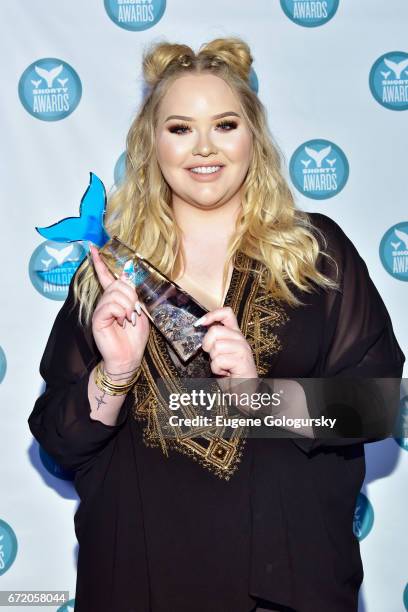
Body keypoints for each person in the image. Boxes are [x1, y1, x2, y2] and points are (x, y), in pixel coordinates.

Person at [28, 37, 405, 612]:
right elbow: (58, 438)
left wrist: (260, 397)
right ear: (150, 144)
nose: (204, 148)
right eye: (180, 128)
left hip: (285, 587)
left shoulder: (315, 253)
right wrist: (116, 372)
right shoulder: (109, 274)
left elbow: (377, 407)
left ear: (253, 135)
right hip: (139, 582)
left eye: (224, 125)